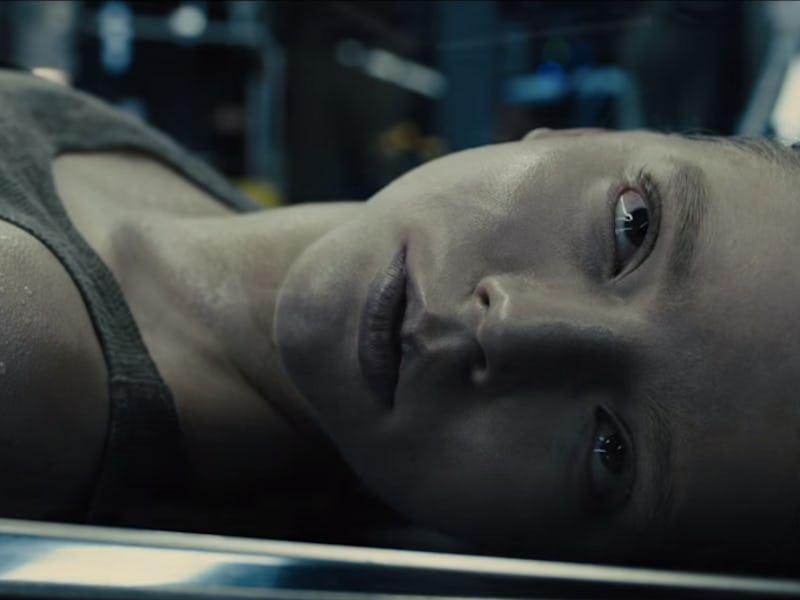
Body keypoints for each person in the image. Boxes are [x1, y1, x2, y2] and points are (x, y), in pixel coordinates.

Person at [0, 66, 796, 572]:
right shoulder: (202, 221)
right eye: (633, 228)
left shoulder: (30, 363)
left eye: (609, 452)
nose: (510, 324)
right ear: (590, 135)